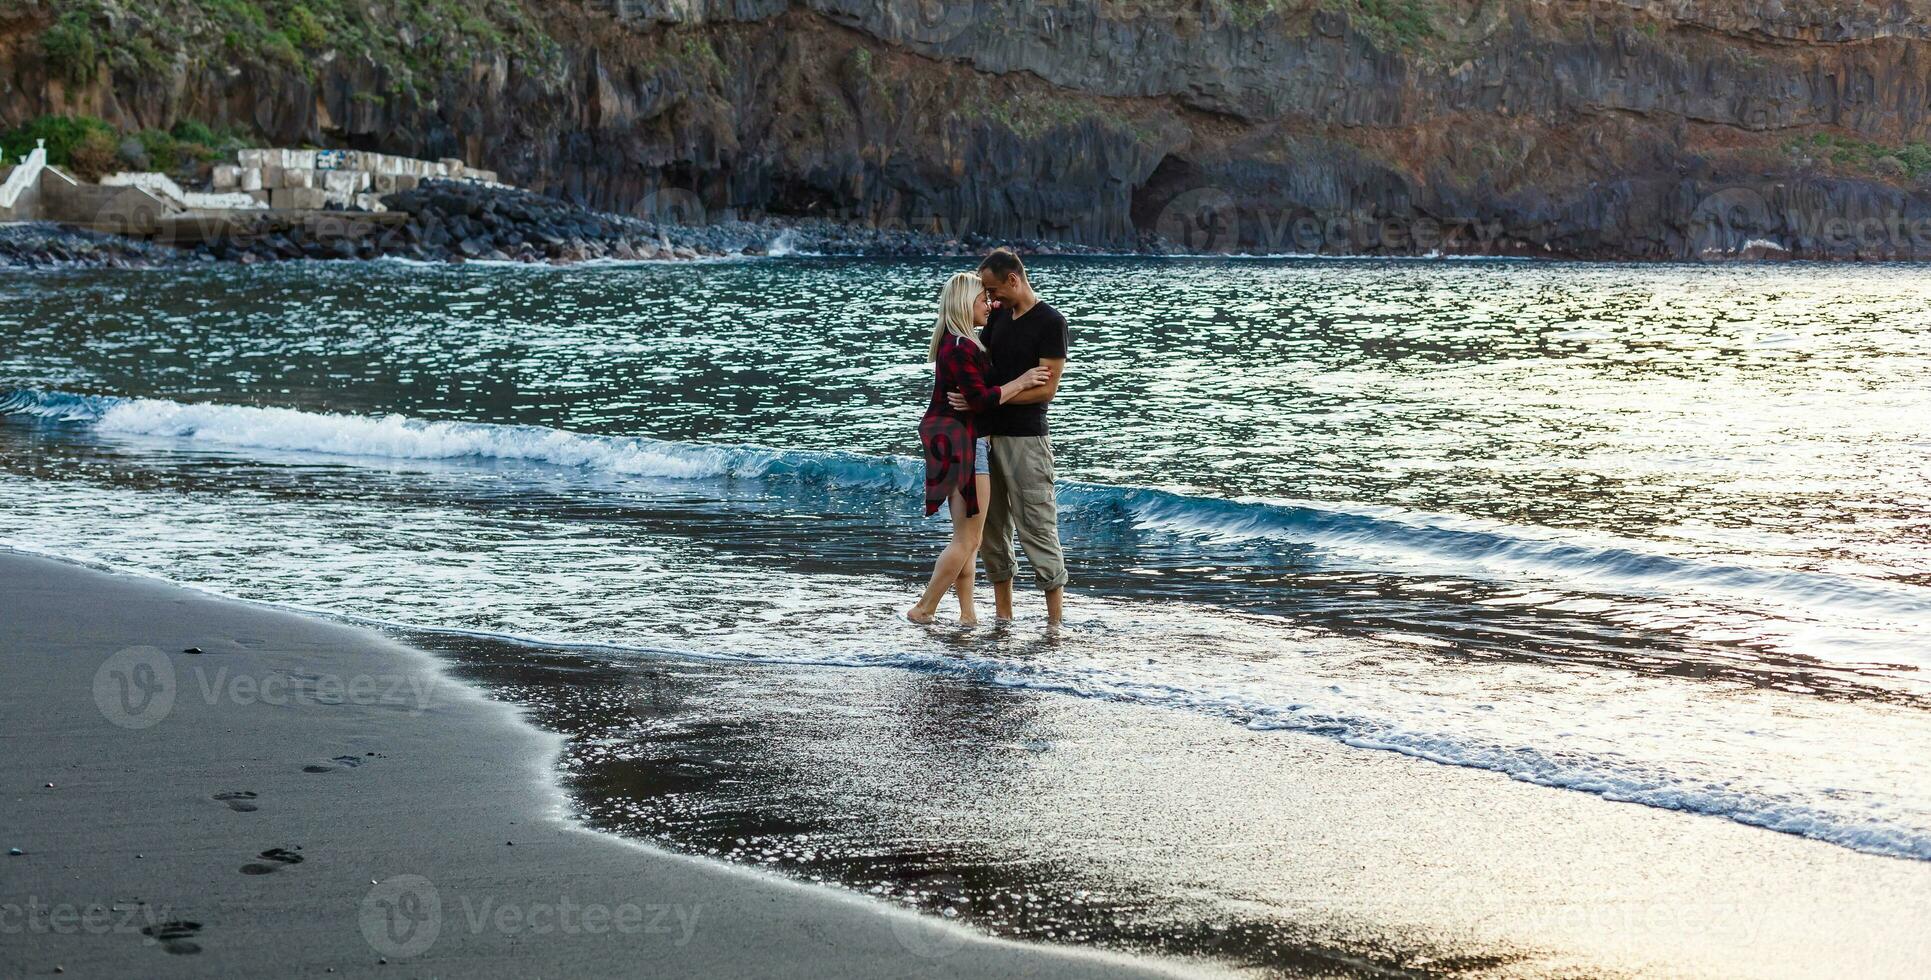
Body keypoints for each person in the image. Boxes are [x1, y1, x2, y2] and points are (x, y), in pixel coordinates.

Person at [908, 272, 1051, 625]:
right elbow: (980, 400)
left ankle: (968, 615)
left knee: (966, 538)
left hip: (953, 441)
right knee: (968, 540)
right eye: (982, 300)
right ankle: (924, 608)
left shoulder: (955, 342)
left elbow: (974, 398)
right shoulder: (963, 347)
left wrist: (1002, 301)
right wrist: (1021, 381)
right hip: (966, 444)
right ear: (964, 304)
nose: (989, 305)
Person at [947, 249, 1069, 624]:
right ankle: (1004, 618)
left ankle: (1055, 624)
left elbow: (1046, 391)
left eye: (993, 289)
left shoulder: (1050, 322)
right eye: (987, 291)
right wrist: (977, 402)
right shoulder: (996, 317)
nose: (990, 297)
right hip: (984, 439)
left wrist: (985, 403)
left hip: (1026, 440)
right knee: (993, 529)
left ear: (1014, 280)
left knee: (1037, 524)